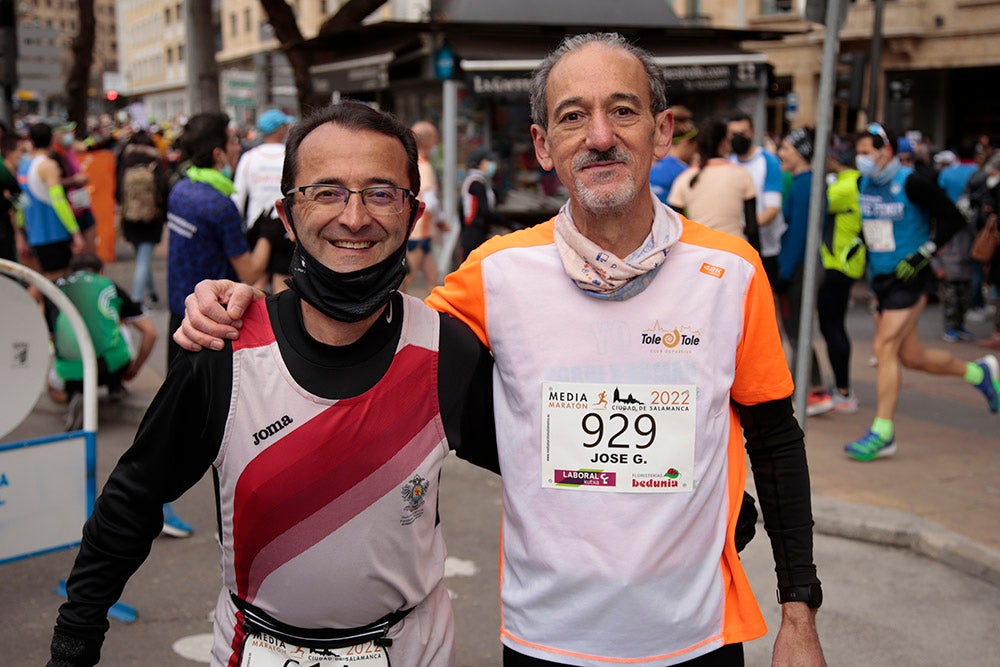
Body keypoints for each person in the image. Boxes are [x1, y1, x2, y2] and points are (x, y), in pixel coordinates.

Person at [178, 33, 826, 666]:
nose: (600, 135)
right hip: (545, 638)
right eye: (574, 117)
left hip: (698, 637)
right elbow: (371, 346)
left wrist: (799, 613)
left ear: (663, 130)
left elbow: (774, 439)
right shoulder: (497, 273)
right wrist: (252, 309)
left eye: (622, 110)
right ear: (544, 145)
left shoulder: (732, 270)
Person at [47, 101, 499, 667]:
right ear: (286, 215)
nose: (354, 217)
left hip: (414, 648)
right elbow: (132, 502)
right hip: (253, 647)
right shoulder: (224, 349)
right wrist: (73, 644)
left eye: (381, 193)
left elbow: (549, 472)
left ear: (413, 215)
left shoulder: (446, 351)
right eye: (326, 191)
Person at [844, 123, 999, 461]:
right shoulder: (862, 182)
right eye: (858, 153)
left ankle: (883, 432)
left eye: (867, 153)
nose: (862, 160)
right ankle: (979, 373)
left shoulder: (912, 182)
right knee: (911, 357)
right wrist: (860, 241)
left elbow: (953, 219)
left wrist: (925, 251)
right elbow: (874, 222)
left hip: (911, 277)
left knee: (883, 347)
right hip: (882, 278)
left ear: (885, 151)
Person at [166, 112, 271, 366]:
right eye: (233, 141)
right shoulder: (220, 205)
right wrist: (269, 233)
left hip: (178, 312)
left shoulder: (180, 189)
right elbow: (249, 273)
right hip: (211, 322)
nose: (238, 148)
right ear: (218, 154)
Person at [46, 253, 158, 428]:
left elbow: (53, 335)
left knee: (51, 387)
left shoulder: (55, 288)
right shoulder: (108, 285)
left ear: (71, 271)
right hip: (111, 366)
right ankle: (116, 385)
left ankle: (74, 396)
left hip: (70, 373)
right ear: (102, 271)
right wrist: (134, 369)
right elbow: (151, 333)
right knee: (120, 325)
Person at [774, 127, 833, 415]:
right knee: (798, 333)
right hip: (799, 267)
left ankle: (812, 393)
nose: (781, 153)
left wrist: (784, 272)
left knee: (798, 333)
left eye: (785, 148)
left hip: (798, 269)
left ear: (801, 152)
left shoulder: (806, 185)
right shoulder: (804, 182)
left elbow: (800, 233)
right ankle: (816, 390)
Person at [817, 137, 865, 413]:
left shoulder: (844, 186)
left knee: (832, 327)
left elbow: (818, 203)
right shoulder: (855, 182)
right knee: (833, 326)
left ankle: (844, 392)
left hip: (837, 265)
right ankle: (843, 388)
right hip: (846, 265)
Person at [667, 117, 759, 250]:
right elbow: (752, 228)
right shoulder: (742, 174)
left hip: (699, 252)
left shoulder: (684, 178)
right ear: (723, 143)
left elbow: (675, 228)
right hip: (734, 252)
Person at [231, 108, 295, 293]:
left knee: (256, 282)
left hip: (257, 228)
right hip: (286, 226)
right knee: (283, 283)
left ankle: (253, 320)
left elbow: (237, 197)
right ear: (280, 129)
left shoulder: (249, 157)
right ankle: (280, 322)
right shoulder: (290, 156)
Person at [16, 122, 85, 281]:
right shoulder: (48, 166)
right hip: (53, 232)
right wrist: (75, 231)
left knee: (44, 281)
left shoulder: (23, 166)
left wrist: (22, 232)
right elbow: (59, 201)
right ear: (51, 139)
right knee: (60, 281)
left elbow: (20, 203)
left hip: (34, 233)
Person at [727, 112, 786, 285]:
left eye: (742, 133)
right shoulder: (726, 162)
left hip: (765, 248)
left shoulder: (769, 162)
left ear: (753, 133)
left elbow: (772, 209)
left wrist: (747, 228)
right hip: (734, 248)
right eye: (733, 134)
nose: (738, 138)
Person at [117, 129, 170, 305]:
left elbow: (117, 193)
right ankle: (136, 300)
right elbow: (163, 189)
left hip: (130, 218)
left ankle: (152, 292)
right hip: (151, 219)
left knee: (142, 257)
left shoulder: (125, 161)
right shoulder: (154, 162)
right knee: (143, 259)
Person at [403, 120, 447, 292]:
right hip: (418, 232)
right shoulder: (425, 167)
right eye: (435, 138)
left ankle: (432, 313)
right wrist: (441, 220)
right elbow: (431, 201)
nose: (436, 142)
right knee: (407, 277)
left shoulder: (412, 164)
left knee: (432, 276)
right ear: (427, 141)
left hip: (421, 231)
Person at [458, 148, 517, 259]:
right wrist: (509, 224)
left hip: (473, 232)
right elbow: (485, 212)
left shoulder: (475, 181)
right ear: (478, 164)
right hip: (475, 234)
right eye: (488, 161)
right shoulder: (477, 183)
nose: (491, 164)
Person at [648, 105, 698, 203]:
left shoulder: (649, 167)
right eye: (695, 146)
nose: (695, 151)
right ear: (686, 143)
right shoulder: (685, 173)